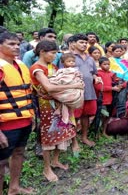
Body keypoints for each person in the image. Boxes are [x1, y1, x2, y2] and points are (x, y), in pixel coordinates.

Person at [30, 40, 83, 182]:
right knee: (48, 135)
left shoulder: (52, 66)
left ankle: (55, 160)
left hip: (58, 104)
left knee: (61, 132)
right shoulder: (37, 68)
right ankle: (46, 169)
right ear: (42, 52)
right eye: (53, 53)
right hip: (46, 107)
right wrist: (73, 86)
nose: (55, 56)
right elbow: (49, 88)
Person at [0, 32, 34, 195]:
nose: (16, 47)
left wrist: (31, 116)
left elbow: (28, 92)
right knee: (1, 162)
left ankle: (14, 188)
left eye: (17, 44)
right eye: (11, 44)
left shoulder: (21, 65)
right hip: (5, 123)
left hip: (24, 120)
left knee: (19, 152)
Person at [69, 34, 101, 147]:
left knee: (86, 115)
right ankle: (73, 141)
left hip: (89, 90)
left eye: (85, 43)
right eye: (81, 42)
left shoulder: (90, 58)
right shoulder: (69, 57)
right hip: (75, 92)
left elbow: (93, 73)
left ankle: (84, 137)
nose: (84, 44)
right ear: (74, 44)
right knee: (74, 115)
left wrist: (96, 78)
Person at [94, 57, 120, 137]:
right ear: (100, 65)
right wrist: (112, 88)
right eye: (104, 64)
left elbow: (118, 82)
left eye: (108, 64)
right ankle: (96, 133)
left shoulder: (111, 74)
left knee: (107, 116)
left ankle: (104, 132)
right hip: (101, 99)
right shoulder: (98, 74)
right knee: (101, 115)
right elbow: (99, 87)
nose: (107, 66)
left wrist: (119, 84)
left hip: (110, 98)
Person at [109, 44, 128, 118]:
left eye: (120, 51)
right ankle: (110, 118)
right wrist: (114, 77)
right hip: (112, 82)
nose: (118, 52)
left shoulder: (124, 61)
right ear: (112, 52)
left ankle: (120, 118)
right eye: (116, 51)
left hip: (123, 82)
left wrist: (125, 81)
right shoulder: (109, 60)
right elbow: (108, 71)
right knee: (112, 100)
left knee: (121, 100)